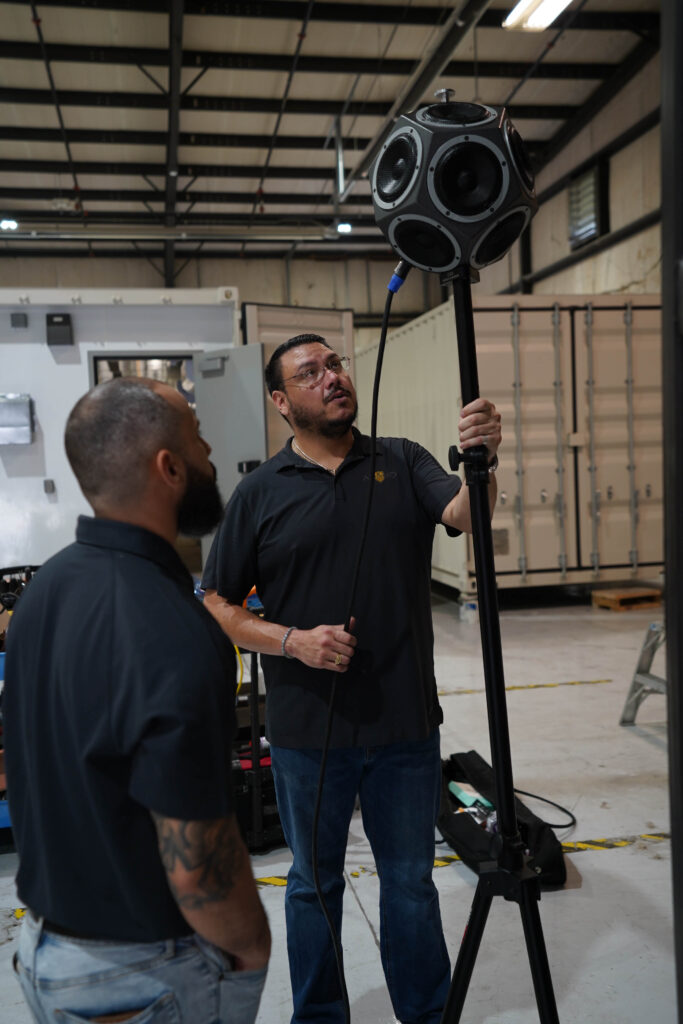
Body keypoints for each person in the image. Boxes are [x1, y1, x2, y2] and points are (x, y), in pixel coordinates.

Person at [201, 333, 501, 1024]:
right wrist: (291, 641)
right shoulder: (259, 492)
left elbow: (463, 515)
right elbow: (217, 603)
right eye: (310, 373)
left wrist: (484, 460)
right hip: (309, 731)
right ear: (280, 401)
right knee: (313, 886)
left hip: (404, 727)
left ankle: (425, 1014)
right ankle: (320, 1016)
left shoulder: (400, 460)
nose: (331, 378)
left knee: (409, 886)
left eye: (334, 364)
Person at [3, 377, 271, 1024]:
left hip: (45, 950)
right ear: (169, 467)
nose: (211, 455)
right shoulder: (173, 629)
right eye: (200, 440)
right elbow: (199, 873)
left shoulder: (44, 591)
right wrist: (252, 948)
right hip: (144, 975)